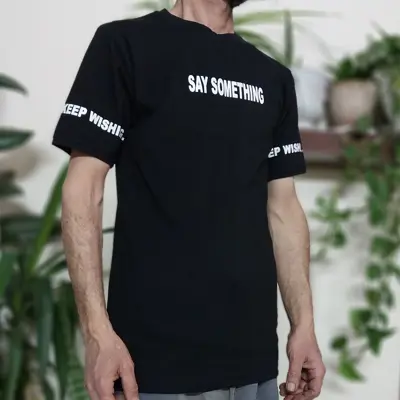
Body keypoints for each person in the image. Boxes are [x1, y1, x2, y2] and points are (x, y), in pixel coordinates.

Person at [52, 0, 326, 399]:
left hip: (255, 362)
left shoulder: (273, 77)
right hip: (156, 366)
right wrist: (97, 333)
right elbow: (83, 190)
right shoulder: (124, 45)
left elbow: (283, 208)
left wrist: (304, 326)